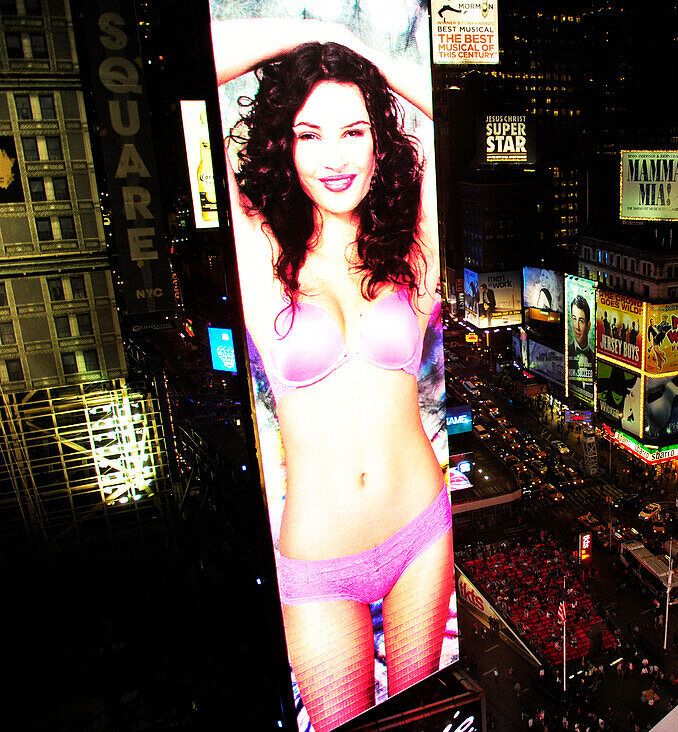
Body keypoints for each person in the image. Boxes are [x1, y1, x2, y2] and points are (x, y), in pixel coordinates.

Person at [213, 18, 450, 731]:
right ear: (283, 146)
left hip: (422, 533)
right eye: (309, 133)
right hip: (318, 567)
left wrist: (361, 54)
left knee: (422, 724)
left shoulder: (411, 250)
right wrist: (310, 30)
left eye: (353, 131)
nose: (333, 155)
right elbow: (205, 64)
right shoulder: (259, 255)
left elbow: (451, 114)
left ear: (380, 141)